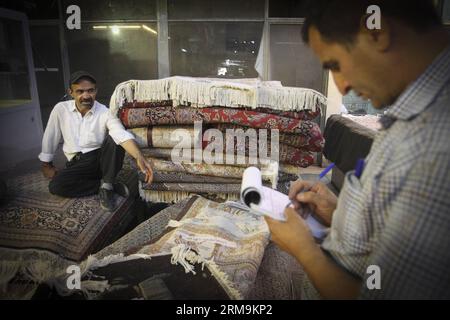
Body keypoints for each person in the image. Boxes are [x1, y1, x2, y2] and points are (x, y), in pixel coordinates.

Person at [265, 0, 450, 299]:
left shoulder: (434, 142)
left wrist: (304, 249)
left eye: (335, 65)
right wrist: (341, 214)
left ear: (377, 32)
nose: (341, 87)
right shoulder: (410, 119)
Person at [39, 71, 153, 211]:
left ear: (96, 91)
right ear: (71, 92)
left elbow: (120, 134)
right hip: (76, 163)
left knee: (114, 138)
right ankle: (105, 185)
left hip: (101, 161)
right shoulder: (60, 109)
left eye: (90, 91)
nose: (86, 96)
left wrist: (139, 156)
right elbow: (51, 135)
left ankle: (107, 183)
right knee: (56, 186)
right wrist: (46, 164)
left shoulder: (105, 112)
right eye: (80, 91)